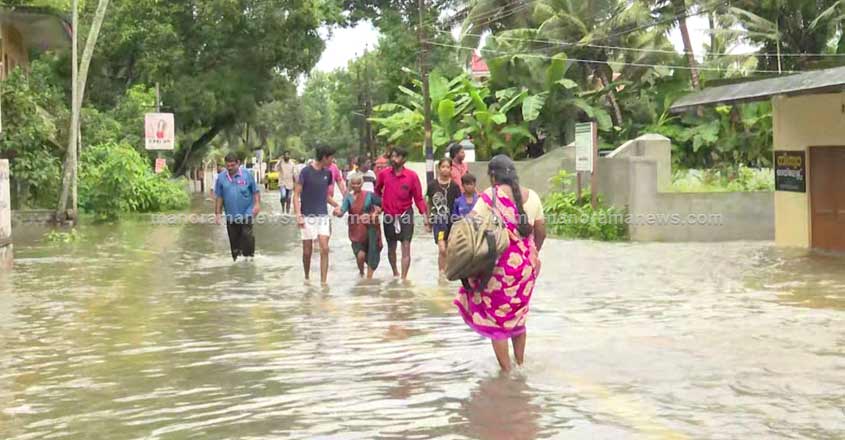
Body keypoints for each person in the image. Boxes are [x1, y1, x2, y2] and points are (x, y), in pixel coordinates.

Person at [453, 155, 547, 372]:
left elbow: (471, 229)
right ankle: (520, 365)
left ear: (493, 175)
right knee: (518, 316)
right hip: (526, 269)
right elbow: (541, 231)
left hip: (498, 268)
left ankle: (507, 373)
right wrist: (532, 254)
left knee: (498, 324)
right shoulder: (532, 196)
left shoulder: (489, 196)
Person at [375, 147, 427, 281]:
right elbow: (377, 190)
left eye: (397, 157)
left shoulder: (412, 176)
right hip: (389, 215)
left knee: (406, 245)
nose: (394, 159)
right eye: (392, 156)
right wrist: (379, 205)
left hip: (406, 215)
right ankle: (395, 273)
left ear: (404, 159)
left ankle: (404, 278)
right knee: (391, 247)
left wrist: (425, 216)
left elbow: (419, 198)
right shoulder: (384, 174)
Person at [294, 146, 341, 285]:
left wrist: (336, 205)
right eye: (331, 157)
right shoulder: (305, 172)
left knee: (325, 248)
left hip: (323, 216)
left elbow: (324, 195)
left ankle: (323, 282)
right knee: (307, 251)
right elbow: (296, 195)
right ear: (324, 157)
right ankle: (307, 277)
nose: (332, 161)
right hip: (307, 215)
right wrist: (298, 215)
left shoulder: (328, 173)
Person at [335, 174, 383, 279]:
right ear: (350, 184)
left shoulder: (369, 195)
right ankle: (361, 273)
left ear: (362, 184)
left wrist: (375, 213)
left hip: (371, 228)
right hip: (356, 229)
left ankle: (369, 279)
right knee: (360, 255)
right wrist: (337, 212)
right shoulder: (348, 197)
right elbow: (342, 211)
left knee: (372, 252)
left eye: (358, 183)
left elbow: (382, 204)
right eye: (353, 184)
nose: (356, 186)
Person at [215, 154, 261, 261]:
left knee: (247, 235)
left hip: (247, 212)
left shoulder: (247, 175)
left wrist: (257, 204)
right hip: (231, 215)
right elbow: (219, 197)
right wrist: (217, 213)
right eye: (228, 166)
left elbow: (255, 191)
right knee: (234, 243)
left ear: (238, 163)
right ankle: (237, 263)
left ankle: (249, 260)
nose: (230, 168)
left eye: (232, 165)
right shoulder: (221, 177)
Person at [426, 158, 461, 275]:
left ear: (451, 169)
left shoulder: (455, 187)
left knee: (449, 249)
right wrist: (428, 221)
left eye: (447, 167)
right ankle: (441, 273)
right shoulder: (432, 185)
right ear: (439, 168)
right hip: (438, 222)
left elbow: (459, 204)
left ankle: (445, 274)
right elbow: (428, 203)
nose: (445, 169)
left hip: (452, 222)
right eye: (443, 167)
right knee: (442, 248)